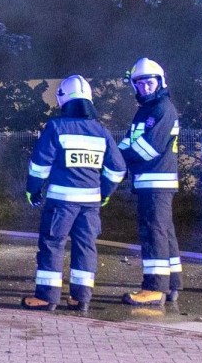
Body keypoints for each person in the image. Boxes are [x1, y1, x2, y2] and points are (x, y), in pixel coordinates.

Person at [22, 75, 126, 312]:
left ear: (63, 100)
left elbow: (39, 164)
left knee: (52, 245)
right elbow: (117, 168)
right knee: (86, 247)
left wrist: (33, 189)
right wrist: (105, 192)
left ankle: (47, 297)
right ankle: (81, 298)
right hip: (90, 204)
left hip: (61, 204)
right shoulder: (101, 131)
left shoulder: (56, 127)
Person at [119, 58, 182, 306]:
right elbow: (128, 141)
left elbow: (148, 148)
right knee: (164, 232)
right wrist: (115, 154)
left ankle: (155, 288)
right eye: (140, 83)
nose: (145, 87)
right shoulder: (145, 110)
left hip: (156, 182)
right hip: (150, 182)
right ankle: (172, 283)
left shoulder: (162, 109)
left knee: (154, 232)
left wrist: (119, 159)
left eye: (149, 82)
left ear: (160, 82)